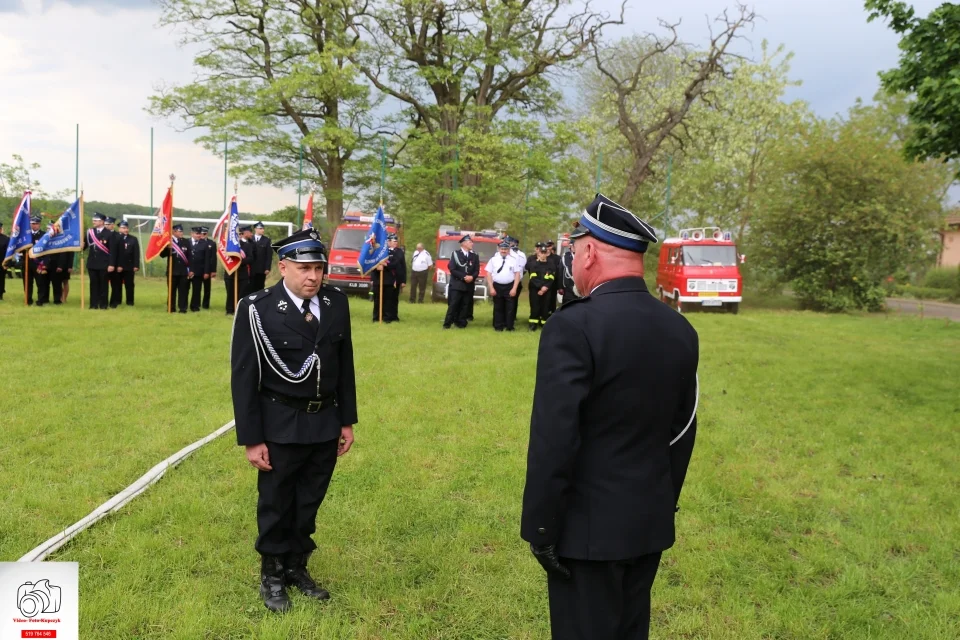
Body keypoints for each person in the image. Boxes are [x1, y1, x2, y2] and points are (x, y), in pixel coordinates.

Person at [521, 193, 699, 640]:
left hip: (587, 532)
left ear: (591, 252)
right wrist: (661, 501)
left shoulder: (573, 326)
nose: (574, 263)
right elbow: (682, 431)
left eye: (576, 252)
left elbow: (555, 438)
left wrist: (541, 527)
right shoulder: (680, 329)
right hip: (648, 522)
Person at [230, 228, 357, 614]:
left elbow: (344, 365)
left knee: (308, 502)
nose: (313, 277)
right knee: (276, 502)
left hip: (324, 423)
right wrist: (252, 438)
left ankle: (296, 566)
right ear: (282, 267)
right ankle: (271, 572)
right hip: (280, 423)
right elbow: (243, 376)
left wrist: (346, 421)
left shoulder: (336, 303)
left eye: (318, 268)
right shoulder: (257, 308)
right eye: (304, 268)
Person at [442, 234, 479, 329]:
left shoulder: (474, 255)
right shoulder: (455, 254)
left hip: (469, 284)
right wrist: (464, 277)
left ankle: (461, 323)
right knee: (454, 304)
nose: (472, 244)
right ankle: (448, 323)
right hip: (457, 284)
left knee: (465, 304)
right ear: (464, 244)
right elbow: (452, 269)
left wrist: (472, 277)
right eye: (470, 242)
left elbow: (476, 270)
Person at [485, 239, 523, 331]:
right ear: (499, 249)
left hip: (509, 286)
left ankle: (509, 326)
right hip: (497, 286)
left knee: (510, 307)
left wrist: (514, 288)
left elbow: (517, 274)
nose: (503, 251)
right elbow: (488, 274)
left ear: (509, 250)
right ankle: (498, 326)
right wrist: (491, 287)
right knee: (498, 307)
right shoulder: (493, 260)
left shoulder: (514, 260)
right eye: (502, 249)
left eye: (505, 249)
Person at [370, 233, 405, 322]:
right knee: (377, 299)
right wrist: (378, 266)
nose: (395, 243)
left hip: (389, 280)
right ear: (388, 241)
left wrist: (385, 265)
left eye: (396, 241)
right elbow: (373, 263)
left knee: (389, 300)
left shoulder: (398, 252)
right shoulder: (380, 251)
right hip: (378, 279)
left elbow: (396, 263)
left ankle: (387, 317)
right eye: (394, 241)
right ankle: (376, 317)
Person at [82, 212, 113, 310]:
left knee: (103, 285)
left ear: (102, 221)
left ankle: (103, 305)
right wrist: (81, 246)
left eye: (96, 220)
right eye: (93, 220)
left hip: (104, 263)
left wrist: (111, 264)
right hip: (92, 263)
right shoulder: (90, 232)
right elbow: (85, 246)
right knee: (93, 284)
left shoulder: (109, 234)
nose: (93, 222)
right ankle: (93, 305)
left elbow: (113, 251)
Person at [160, 224, 191, 313]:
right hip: (172, 271)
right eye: (179, 231)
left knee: (183, 291)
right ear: (174, 231)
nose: (181, 233)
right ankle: (171, 308)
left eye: (182, 231)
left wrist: (190, 270)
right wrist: (167, 248)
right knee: (171, 291)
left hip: (183, 272)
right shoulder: (168, 241)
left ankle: (183, 308)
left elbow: (189, 256)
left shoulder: (185, 241)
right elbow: (162, 255)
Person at [225, 226, 256, 315]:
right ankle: (229, 310)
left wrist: (239, 261)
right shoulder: (230, 246)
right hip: (231, 272)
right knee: (230, 292)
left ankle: (238, 310)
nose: (238, 236)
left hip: (242, 273)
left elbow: (250, 258)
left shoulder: (247, 245)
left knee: (241, 293)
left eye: (239, 234)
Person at [526, 243, 555, 331]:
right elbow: (533, 277)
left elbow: (552, 277)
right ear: (538, 253)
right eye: (541, 253)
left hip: (547, 289)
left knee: (545, 306)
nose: (543, 254)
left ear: (547, 253)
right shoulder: (533, 264)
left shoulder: (551, 264)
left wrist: (545, 287)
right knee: (535, 306)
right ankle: (533, 324)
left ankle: (544, 324)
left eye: (544, 252)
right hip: (535, 289)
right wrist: (540, 287)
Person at [114, 220, 139, 306]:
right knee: (117, 284)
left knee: (129, 284)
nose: (126, 229)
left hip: (129, 265)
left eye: (127, 228)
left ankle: (130, 301)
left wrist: (136, 265)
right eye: (123, 228)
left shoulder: (133, 239)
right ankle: (117, 300)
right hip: (117, 266)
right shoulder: (115, 238)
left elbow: (136, 253)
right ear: (119, 228)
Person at [188, 226, 212, 312]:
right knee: (185, 289)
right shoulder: (186, 242)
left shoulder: (204, 244)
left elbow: (207, 259)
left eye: (199, 233)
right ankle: (183, 305)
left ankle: (195, 306)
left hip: (199, 271)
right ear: (192, 234)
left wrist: (206, 272)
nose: (199, 235)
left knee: (197, 290)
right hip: (187, 271)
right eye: (197, 233)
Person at [251, 221, 273, 292]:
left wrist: (267, 268)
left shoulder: (267, 240)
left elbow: (269, 255)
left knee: (260, 286)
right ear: (255, 229)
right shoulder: (250, 239)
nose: (262, 230)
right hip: (250, 268)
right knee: (250, 286)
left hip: (261, 269)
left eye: (263, 228)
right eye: (260, 228)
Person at [508, 237, 525, 326]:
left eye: (509, 242)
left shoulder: (520, 255)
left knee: (513, 301)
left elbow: (523, 269)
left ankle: (512, 317)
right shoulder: (502, 253)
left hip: (516, 281)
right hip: (506, 281)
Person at [544, 240, 561, 318]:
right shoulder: (542, 256)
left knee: (552, 301)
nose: (548, 247)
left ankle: (552, 317)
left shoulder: (557, 258)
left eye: (550, 246)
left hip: (553, 283)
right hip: (542, 283)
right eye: (547, 246)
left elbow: (559, 271)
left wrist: (559, 285)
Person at [201, 227, 216, 309]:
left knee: (207, 288)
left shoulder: (212, 244)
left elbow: (213, 258)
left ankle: (206, 304)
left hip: (208, 269)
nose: (203, 235)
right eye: (202, 233)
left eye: (204, 233)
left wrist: (213, 270)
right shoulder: (197, 242)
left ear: (207, 234)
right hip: (198, 268)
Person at [0, 222, 8, 300]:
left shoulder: (6, 239)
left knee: (1, 279)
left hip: (2, 263)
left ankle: (0, 294)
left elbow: (8, 252)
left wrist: (7, 263)